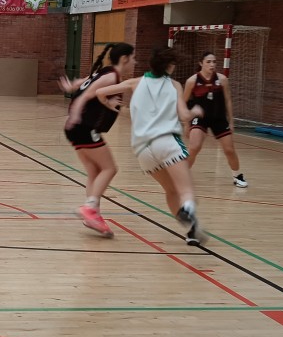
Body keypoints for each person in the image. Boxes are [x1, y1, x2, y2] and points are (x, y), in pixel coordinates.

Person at [96, 47, 208, 245]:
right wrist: (195, 111)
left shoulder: (134, 82)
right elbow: (183, 116)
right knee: (186, 190)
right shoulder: (174, 85)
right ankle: (188, 209)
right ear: (169, 66)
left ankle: (191, 232)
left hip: (143, 150)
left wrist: (116, 106)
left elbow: (100, 92)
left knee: (171, 190)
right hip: (167, 142)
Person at [58, 42, 135, 237]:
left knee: (94, 171)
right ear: (124, 58)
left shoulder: (103, 72)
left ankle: (93, 216)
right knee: (110, 168)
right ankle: (90, 208)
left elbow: (81, 84)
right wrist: (76, 112)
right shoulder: (111, 76)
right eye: (133, 58)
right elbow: (88, 95)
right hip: (84, 126)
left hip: (77, 128)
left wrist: (71, 86)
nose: (134, 61)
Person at [183, 52, 247, 188]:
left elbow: (228, 100)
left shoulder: (222, 79)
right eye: (208, 62)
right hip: (200, 118)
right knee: (194, 147)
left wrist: (231, 121)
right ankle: (181, 176)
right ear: (201, 63)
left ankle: (237, 176)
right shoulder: (192, 81)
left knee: (229, 149)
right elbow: (183, 102)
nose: (212, 64)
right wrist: (186, 124)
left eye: (214, 62)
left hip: (219, 118)